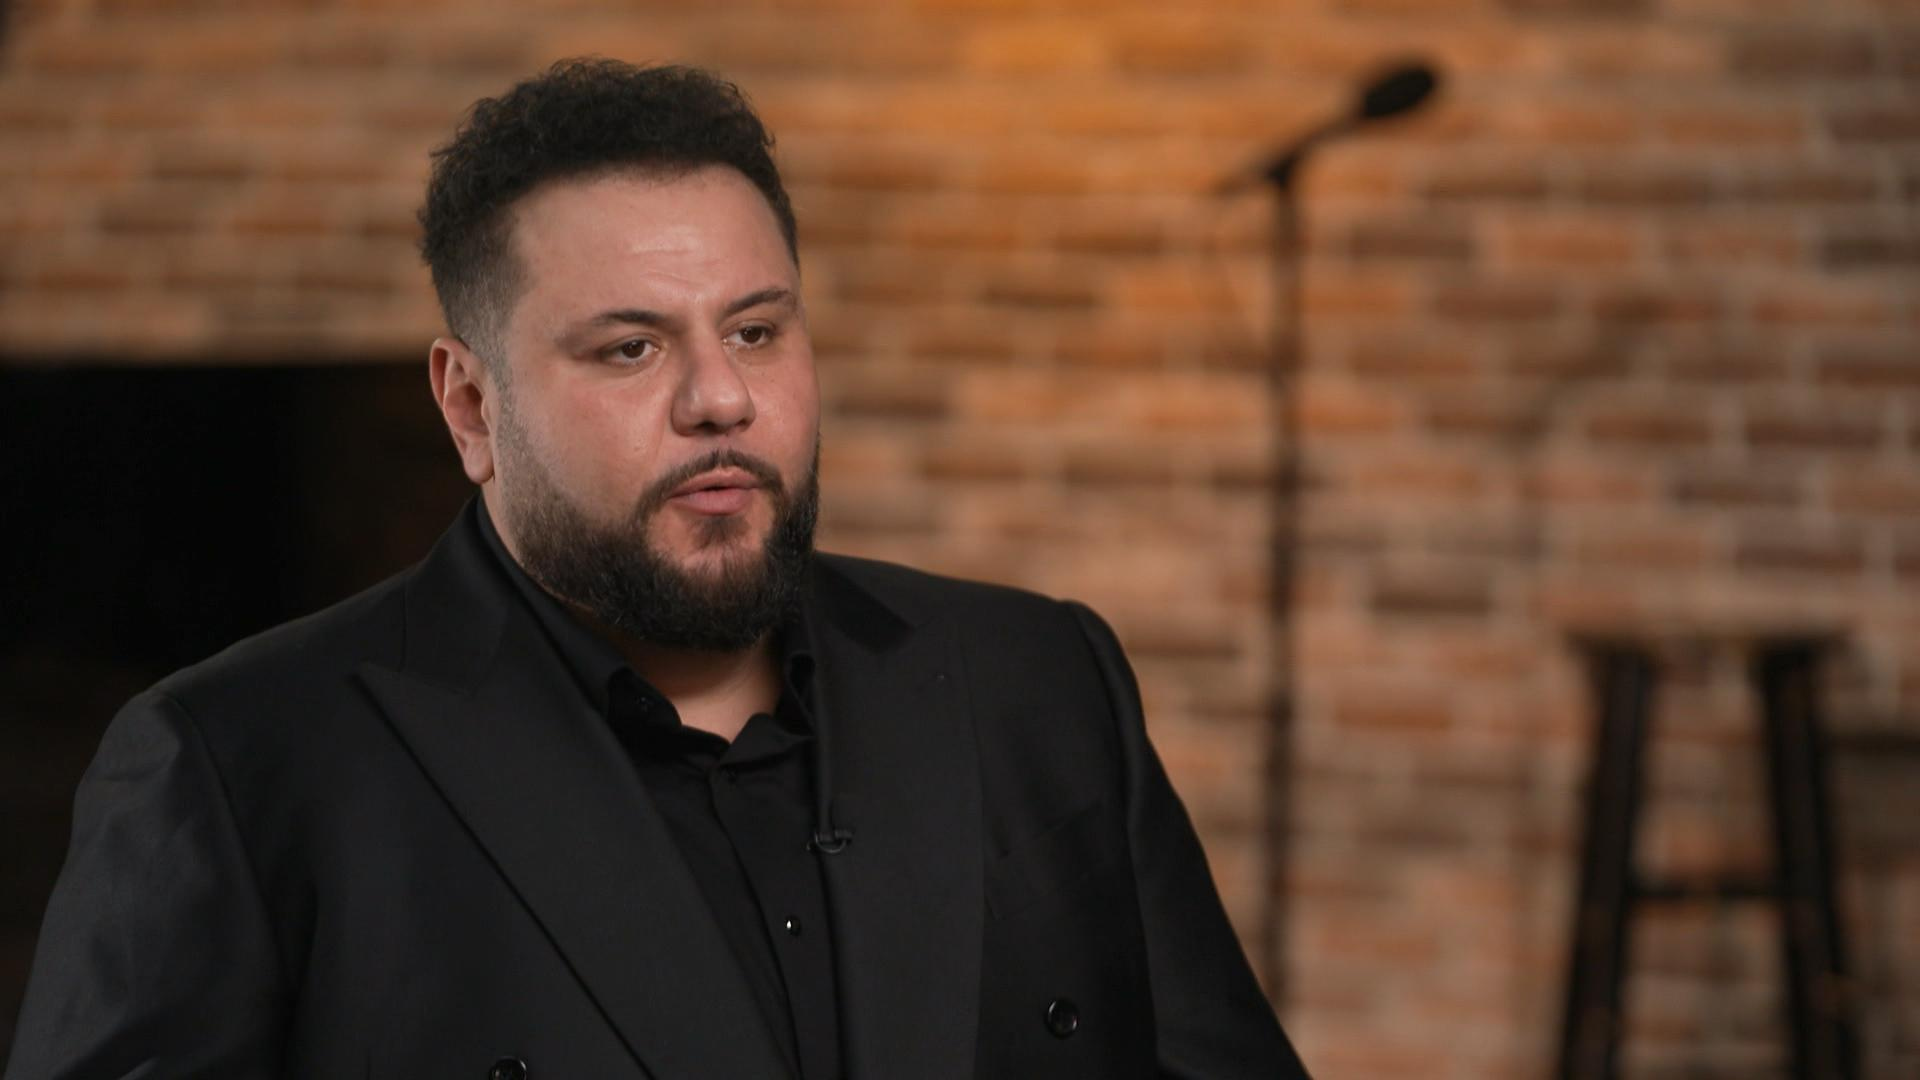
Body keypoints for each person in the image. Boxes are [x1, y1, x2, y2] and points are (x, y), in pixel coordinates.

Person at [6, 59, 1310, 1080]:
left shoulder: (1038, 682)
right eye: (630, 349)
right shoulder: (237, 770)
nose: (721, 398)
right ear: (470, 408)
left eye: (757, 330)